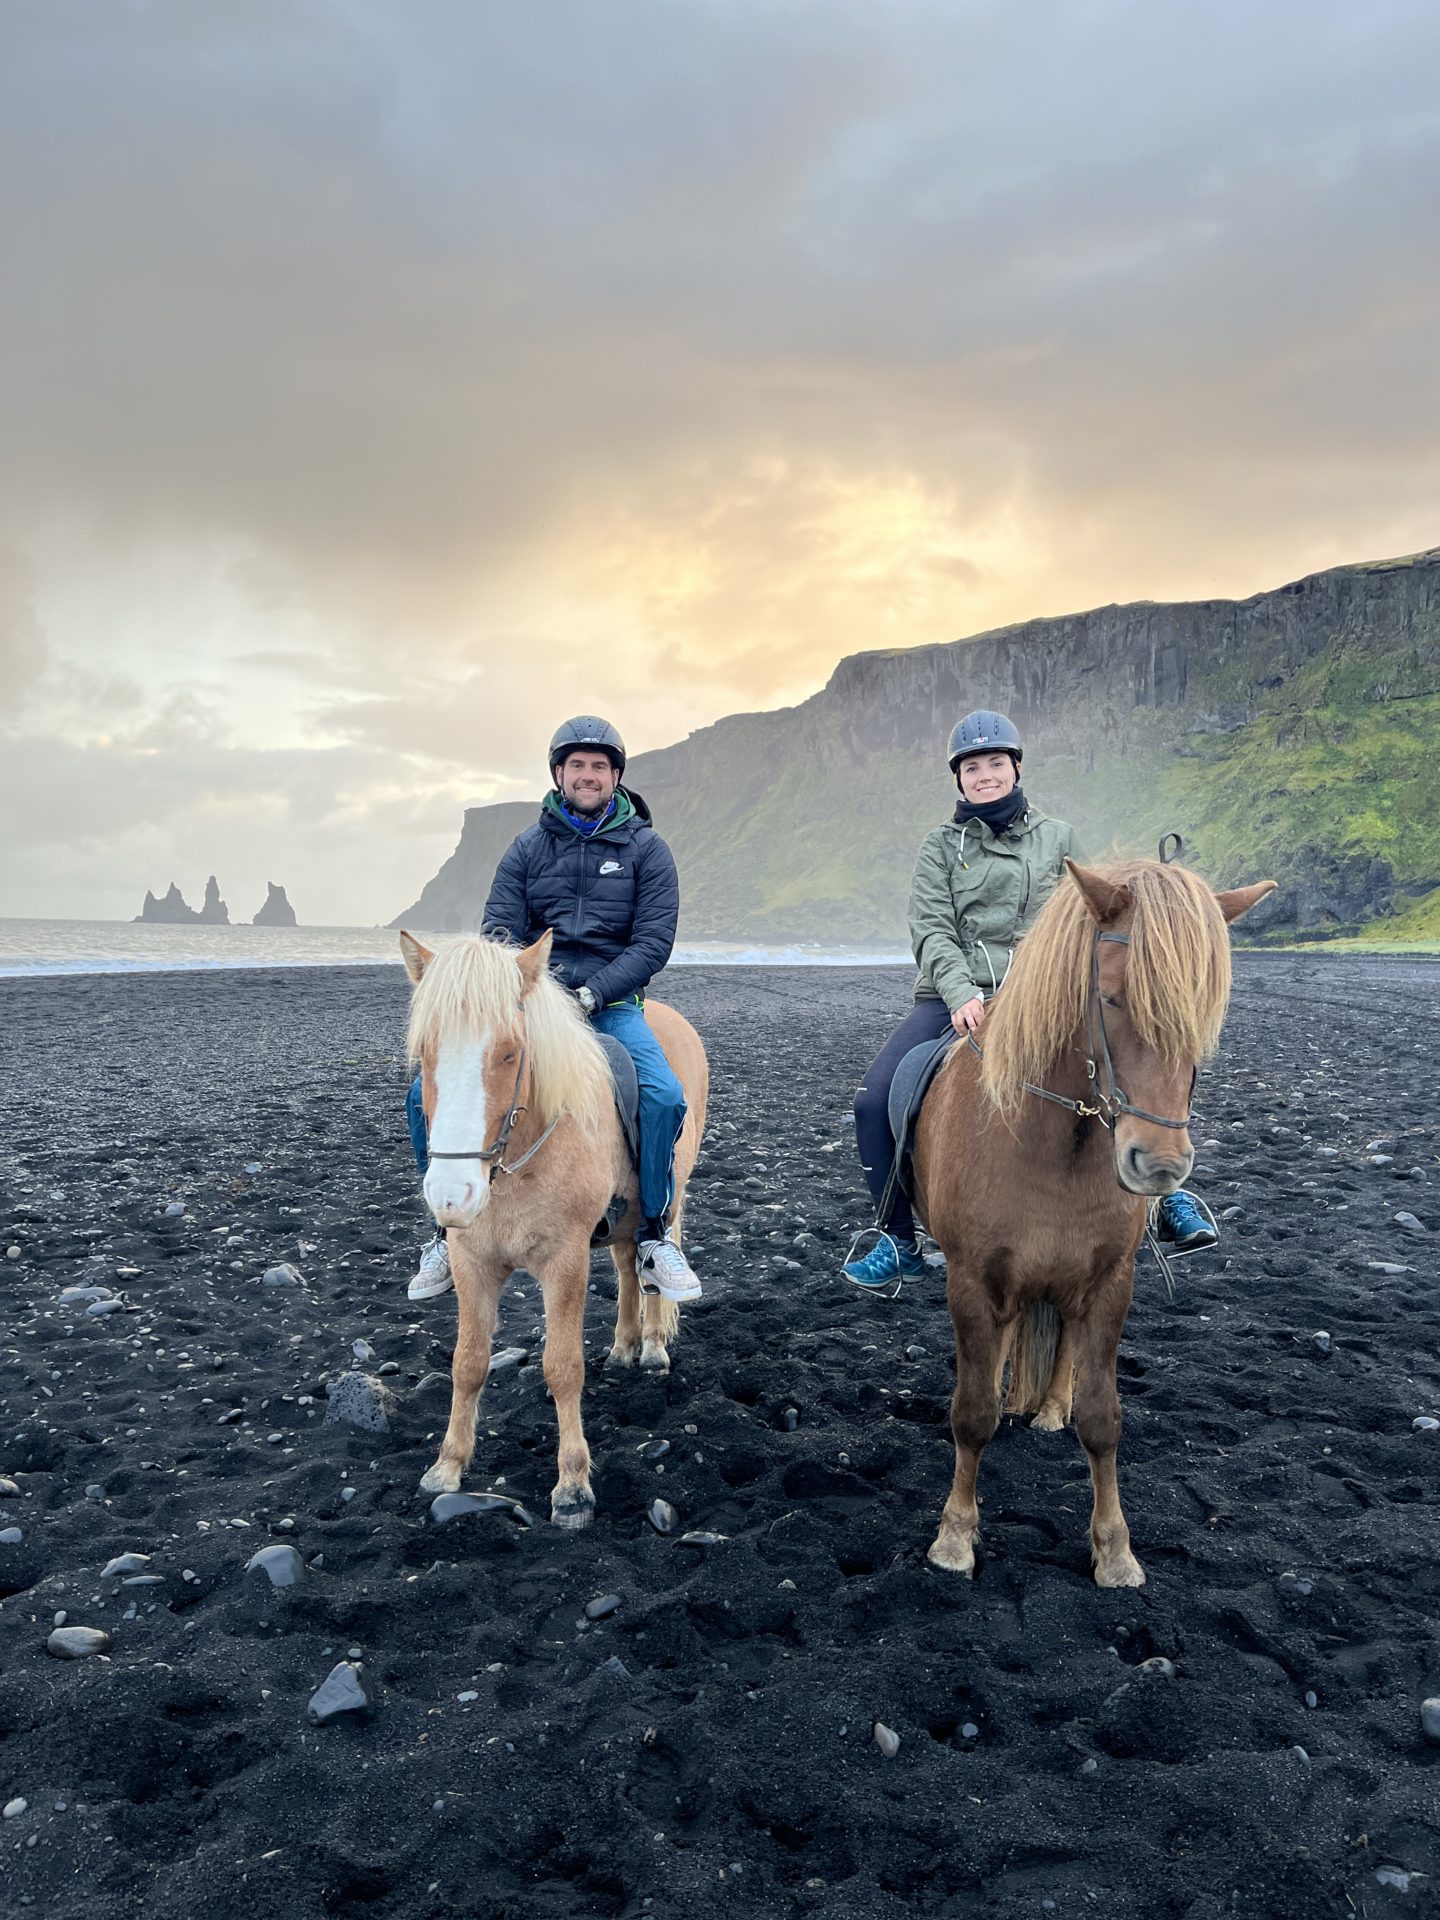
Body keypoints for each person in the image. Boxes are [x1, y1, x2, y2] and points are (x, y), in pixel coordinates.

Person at [842, 709, 1219, 1291]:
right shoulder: (939, 847)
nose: (985, 775)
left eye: (996, 763)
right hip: (955, 998)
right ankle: (897, 1236)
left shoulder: (1060, 839)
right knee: (875, 1100)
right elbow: (932, 929)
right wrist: (961, 992)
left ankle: (1166, 1195)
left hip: (1042, 998)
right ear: (958, 779)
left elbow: (1084, 917)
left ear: (1016, 769)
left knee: (1132, 1056)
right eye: (972, 767)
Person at [405, 715, 702, 1306]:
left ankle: (652, 1235)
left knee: (664, 1095)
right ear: (558, 774)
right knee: (422, 1093)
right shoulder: (528, 848)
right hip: (534, 1004)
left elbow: (653, 942)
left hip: (611, 1003)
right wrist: (522, 991)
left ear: (614, 777)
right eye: (576, 766)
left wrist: (592, 993)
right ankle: (445, 1232)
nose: (586, 776)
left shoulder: (647, 850)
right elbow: (498, 930)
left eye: (598, 766)